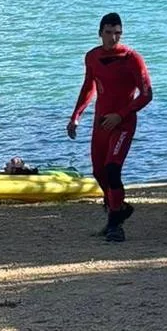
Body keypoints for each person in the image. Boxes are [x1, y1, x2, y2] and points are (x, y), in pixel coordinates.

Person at [67, 12, 152, 243]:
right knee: (99, 172)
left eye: (117, 33)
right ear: (100, 33)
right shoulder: (92, 57)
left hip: (123, 123)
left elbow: (146, 95)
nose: (113, 38)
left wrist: (121, 114)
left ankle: (115, 225)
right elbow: (88, 87)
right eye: (108, 33)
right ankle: (118, 207)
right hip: (101, 122)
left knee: (113, 169)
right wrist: (76, 116)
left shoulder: (132, 58)